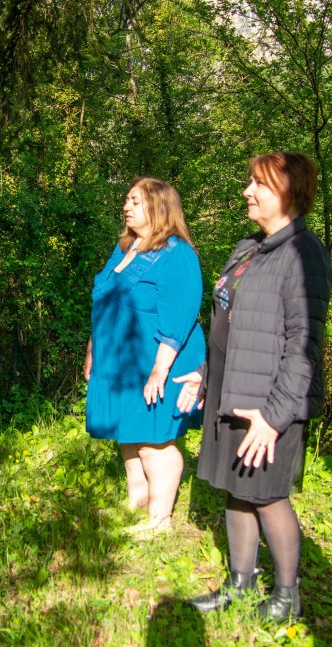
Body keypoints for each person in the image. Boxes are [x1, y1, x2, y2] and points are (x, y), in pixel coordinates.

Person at [177, 152, 332, 621]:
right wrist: (205, 374)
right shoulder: (249, 248)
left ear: (288, 192)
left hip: (269, 401)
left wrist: (275, 416)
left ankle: (286, 596)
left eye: (258, 184)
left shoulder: (303, 253)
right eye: (249, 181)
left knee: (267, 495)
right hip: (233, 391)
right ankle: (239, 585)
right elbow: (229, 323)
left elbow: (304, 343)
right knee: (237, 489)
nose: (247, 191)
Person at [84, 177, 205, 535]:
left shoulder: (176, 253)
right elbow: (104, 302)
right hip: (121, 362)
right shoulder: (125, 248)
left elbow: (180, 318)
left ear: (158, 207)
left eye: (135, 201)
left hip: (158, 361)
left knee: (154, 441)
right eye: (127, 200)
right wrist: (93, 350)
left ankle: (160, 518)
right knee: (129, 432)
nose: (126, 207)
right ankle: (137, 499)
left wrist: (159, 370)